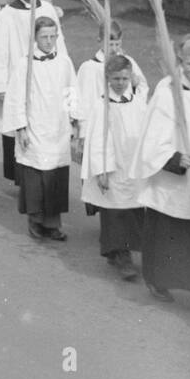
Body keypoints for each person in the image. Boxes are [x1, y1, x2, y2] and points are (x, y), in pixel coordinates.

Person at [128, 36, 190, 315]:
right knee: (167, 234)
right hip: (173, 181)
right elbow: (151, 140)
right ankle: (159, 281)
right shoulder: (166, 94)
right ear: (181, 62)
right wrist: (173, 158)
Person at [0, 16, 77, 240]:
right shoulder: (25, 64)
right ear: (35, 37)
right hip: (34, 125)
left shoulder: (64, 62)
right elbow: (15, 98)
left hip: (58, 127)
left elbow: (71, 92)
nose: (49, 41)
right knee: (35, 177)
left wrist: (74, 119)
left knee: (55, 177)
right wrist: (21, 128)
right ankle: (35, 220)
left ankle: (52, 223)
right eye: (44, 37)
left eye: (53, 36)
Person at [0, 0, 64, 187]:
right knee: (19, 124)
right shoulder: (7, 14)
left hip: (46, 78)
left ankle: (43, 172)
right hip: (17, 80)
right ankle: (23, 178)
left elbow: (61, 45)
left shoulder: (48, 9)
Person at [79, 53, 146, 281]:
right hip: (112, 166)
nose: (120, 83)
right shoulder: (102, 105)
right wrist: (101, 170)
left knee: (133, 209)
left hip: (132, 165)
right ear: (107, 78)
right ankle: (122, 255)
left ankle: (116, 251)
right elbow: (98, 139)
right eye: (116, 79)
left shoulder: (137, 101)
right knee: (115, 212)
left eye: (124, 79)